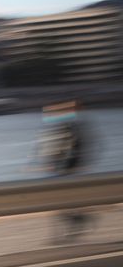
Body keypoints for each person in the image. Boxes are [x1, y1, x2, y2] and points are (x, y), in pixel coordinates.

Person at [38, 100, 92, 241]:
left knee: (60, 202)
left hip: (66, 171)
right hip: (64, 170)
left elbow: (70, 149)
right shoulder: (67, 126)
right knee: (62, 203)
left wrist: (61, 165)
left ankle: (71, 226)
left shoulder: (70, 127)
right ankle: (75, 222)